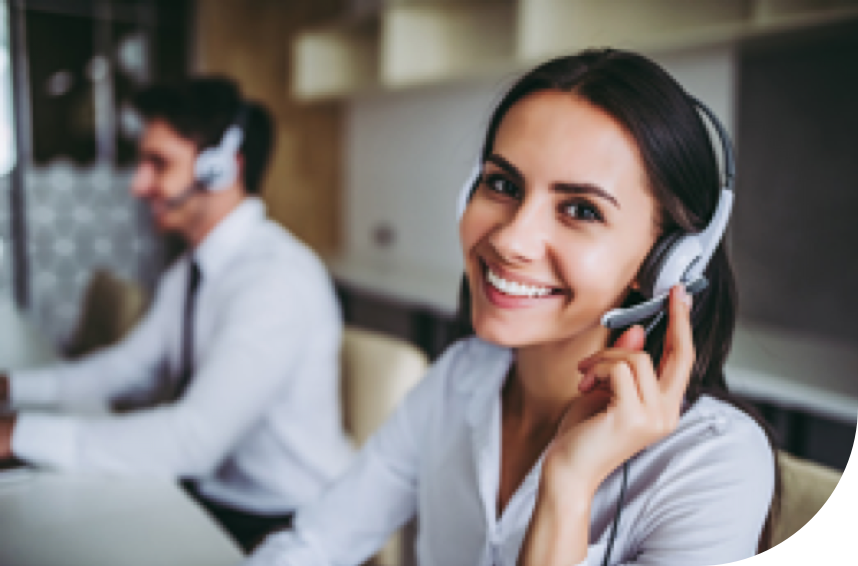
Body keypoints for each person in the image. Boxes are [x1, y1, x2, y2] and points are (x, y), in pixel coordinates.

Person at [242, 49, 779, 566]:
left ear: (668, 262)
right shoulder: (458, 381)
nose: (511, 239)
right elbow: (312, 545)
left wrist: (568, 485)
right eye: (502, 184)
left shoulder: (712, 466)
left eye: (580, 209)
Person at [0, 77, 354, 552]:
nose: (138, 184)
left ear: (221, 169)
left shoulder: (273, 281)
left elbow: (192, 440)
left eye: (158, 163)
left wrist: (20, 435)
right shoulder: (191, 269)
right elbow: (127, 369)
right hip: (212, 496)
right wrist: (12, 390)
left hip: (281, 519)